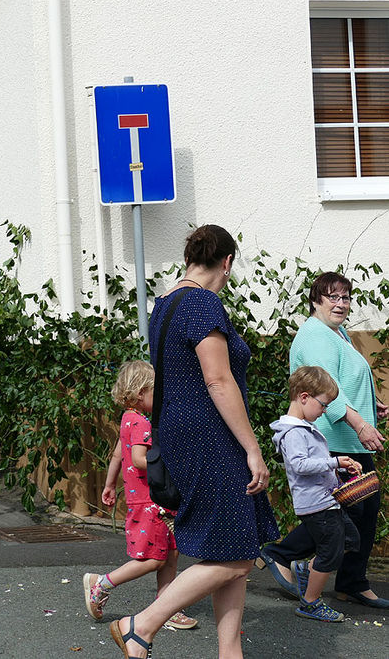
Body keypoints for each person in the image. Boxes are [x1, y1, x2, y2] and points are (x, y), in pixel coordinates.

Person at [108, 225, 279, 659]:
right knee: (239, 555)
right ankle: (140, 624)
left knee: (232, 545)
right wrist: (253, 449)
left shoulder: (165, 304)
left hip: (182, 436)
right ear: (226, 262)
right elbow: (218, 381)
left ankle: (229, 653)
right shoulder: (203, 303)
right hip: (211, 438)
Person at [277, 271, 389, 609]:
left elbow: (346, 380)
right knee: (347, 510)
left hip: (345, 435)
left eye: (345, 297)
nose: (341, 303)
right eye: (332, 297)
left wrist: (372, 404)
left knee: (360, 509)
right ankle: (284, 555)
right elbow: (325, 389)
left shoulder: (336, 332)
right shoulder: (314, 335)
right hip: (331, 437)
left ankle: (348, 581)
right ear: (316, 301)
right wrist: (360, 424)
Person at [84, 360, 197, 630]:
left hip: (150, 500)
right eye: (154, 394)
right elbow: (138, 459)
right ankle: (102, 583)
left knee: (171, 554)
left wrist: (109, 484)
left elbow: (116, 455)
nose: (159, 400)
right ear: (138, 394)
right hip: (149, 501)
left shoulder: (127, 420)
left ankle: (166, 606)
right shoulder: (142, 424)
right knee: (153, 559)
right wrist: (170, 460)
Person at [261, 365, 361, 622]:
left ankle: (308, 569)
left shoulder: (305, 427)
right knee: (331, 551)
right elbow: (299, 465)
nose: (325, 410)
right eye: (324, 404)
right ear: (304, 397)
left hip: (328, 500)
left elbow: (316, 464)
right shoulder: (294, 432)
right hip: (317, 504)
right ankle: (310, 602)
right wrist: (335, 462)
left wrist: (341, 471)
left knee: (350, 540)